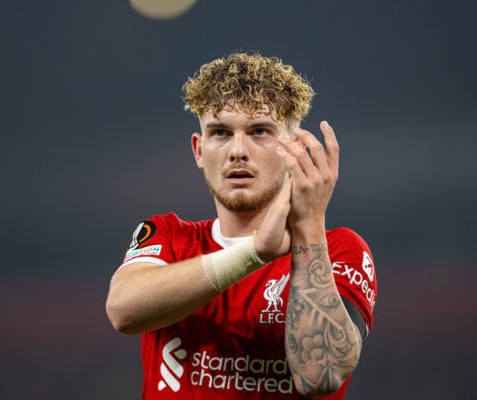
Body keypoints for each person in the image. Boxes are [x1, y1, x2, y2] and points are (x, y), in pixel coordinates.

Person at [106, 52, 377, 399]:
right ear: (199, 150)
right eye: (220, 132)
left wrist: (308, 225)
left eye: (259, 131)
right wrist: (253, 253)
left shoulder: (340, 250)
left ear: (292, 148)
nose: (237, 150)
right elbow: (122, 310)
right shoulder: (169, 236)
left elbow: (320, 375)